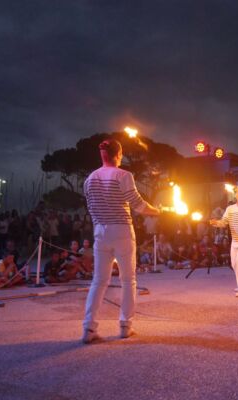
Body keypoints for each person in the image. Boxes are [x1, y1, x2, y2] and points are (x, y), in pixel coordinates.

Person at [82, 138, 160, 344]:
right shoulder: (124, 175)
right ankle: (126, 326)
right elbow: (137, 204)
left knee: (99, 281)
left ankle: (89, 329)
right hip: (122, 231)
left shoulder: (89, 179)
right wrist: (156, 211)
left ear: (102, 155)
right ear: (118, 155)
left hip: (100, 231)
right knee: (128, 280)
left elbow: (90, 208)